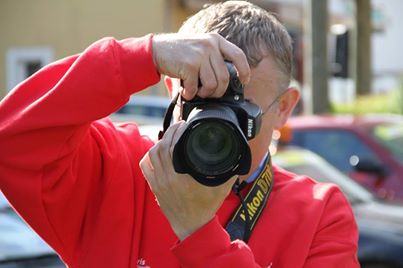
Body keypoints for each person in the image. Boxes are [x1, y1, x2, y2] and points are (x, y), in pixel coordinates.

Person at [0, 1, 359, 267]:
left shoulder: (320, 215)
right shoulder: (115, 167)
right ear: (172, 83)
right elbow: (11, 139)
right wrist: (145, 55)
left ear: (284, 107)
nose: (217, 126)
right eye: (199, 101)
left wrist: (198, 231)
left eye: (239, 110)